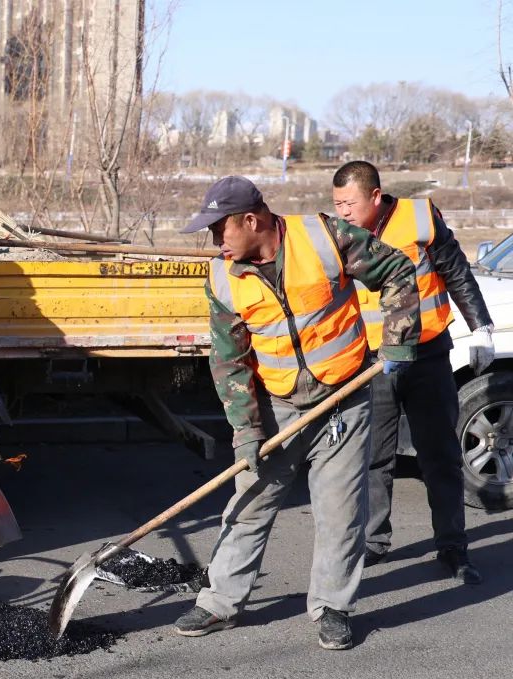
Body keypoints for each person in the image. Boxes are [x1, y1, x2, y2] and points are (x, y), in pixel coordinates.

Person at [174, 176, 421, 650]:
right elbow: (229, 361)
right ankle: (220, 601)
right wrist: (245, 431)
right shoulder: (223, 278)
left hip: (345, 394)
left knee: (341, 509)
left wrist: (399, 335)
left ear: (252, 220)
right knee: (250, 501)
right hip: (278, 404)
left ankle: (332, 606)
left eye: (219, 229)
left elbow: (396, 271)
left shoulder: (325, 238)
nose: (215, 241)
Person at [332, 160, 492, 584]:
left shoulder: (420, 216)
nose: (343, 211)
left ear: (374, 195)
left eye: (349, 203)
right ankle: (373, 542)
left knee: (439, 456)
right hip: (373, 361)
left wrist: (480, 326)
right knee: (373, 458)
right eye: (336, 204)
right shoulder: (338, 234)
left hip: (427, 355)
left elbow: (454, 268)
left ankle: (453, 547)